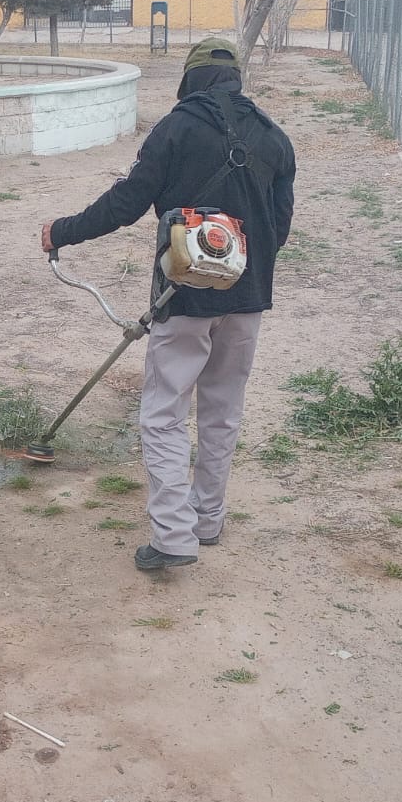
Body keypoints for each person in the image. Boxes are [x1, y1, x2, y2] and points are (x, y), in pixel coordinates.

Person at [40, 37, 296, 572]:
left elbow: (126, 203)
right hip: (247, 300)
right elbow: (278, 229)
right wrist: (235, 266)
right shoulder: (274, 137)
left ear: (190, 78)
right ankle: (207, 520)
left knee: (163, 416)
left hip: (181, 300)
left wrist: (61, 231)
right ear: (236, 79)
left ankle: (175, 537)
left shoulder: (175, 128)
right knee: (222, 412)